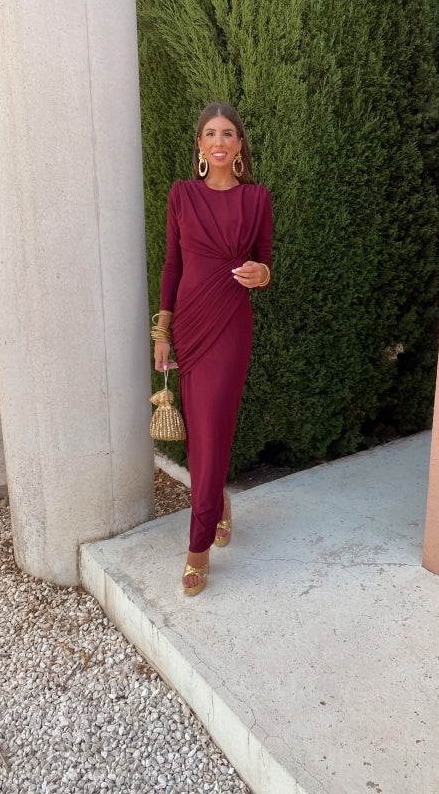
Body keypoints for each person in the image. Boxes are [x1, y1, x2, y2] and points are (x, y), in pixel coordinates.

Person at [152, 102, 273, 596]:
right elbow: (172, 267)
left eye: (227, 133)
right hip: (190, 325)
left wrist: (261, 274)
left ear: (239, 145)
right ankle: (216, 501)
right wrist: (163, 333)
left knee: (212, 428)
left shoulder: (257, 198)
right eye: (210, 133)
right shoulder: (181, 195)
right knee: (200, 432)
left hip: (230, 325)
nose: (219, 141)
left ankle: (197, 548)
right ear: (199, 145)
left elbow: (264, 263)